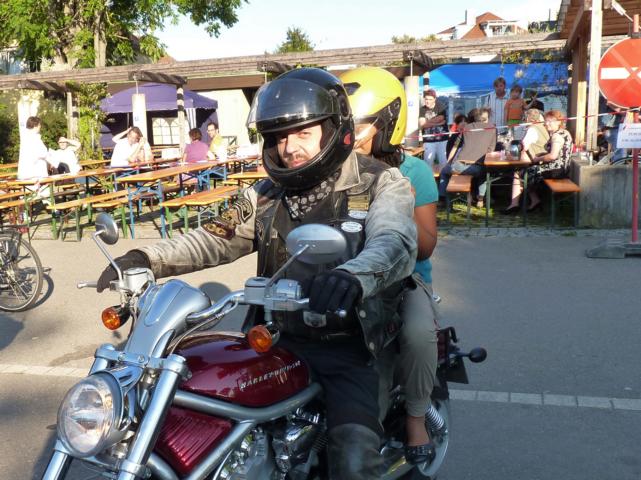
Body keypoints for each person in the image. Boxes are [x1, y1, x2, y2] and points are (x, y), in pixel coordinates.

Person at [96, 67, 417, 480]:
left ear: (334, 128)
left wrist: (353, 277)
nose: (289, 148)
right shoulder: (265, 194)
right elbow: (214, 238)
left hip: (348, 346)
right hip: (274, 339)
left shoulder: (380, 183)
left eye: (303, 133)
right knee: (197, 407)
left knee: (353, 461)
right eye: (280, 137)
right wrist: (145, 257)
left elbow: (394, 242)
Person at [339, 66, 439, 466]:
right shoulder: (336, 173)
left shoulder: (414, 171)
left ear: (387, 124)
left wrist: (404, 205)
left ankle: (416, 418)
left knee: (417, 332)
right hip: (345, 279)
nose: (349, 135)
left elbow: (426, 247)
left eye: (358, 125)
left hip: (405, 280)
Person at [507, 110, 573, 212]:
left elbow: (553, 156)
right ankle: (534, 201)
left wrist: (537, 159)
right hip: (563, 169)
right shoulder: (565, 132)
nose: (547, 123)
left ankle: (517, 204)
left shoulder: (557, 136)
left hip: (556, 170)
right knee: (525, 171)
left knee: (521, 172)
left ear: (559, 122)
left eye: (550, 121)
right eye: (546, 121)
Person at [439, 108, 497, 207]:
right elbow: (491, 150)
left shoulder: (466, 127)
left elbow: (455, 147)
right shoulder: (492, 128)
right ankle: (480, 199)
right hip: (477, 168)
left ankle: (442, 198)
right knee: (484, 173)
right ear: (486, 118)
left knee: (444, 171)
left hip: (458, 166)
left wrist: (448, 163)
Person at [503, 108, 550, 214]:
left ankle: (514, 204)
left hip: (537, 160)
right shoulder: (542, 127)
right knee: (521, 172)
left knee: (518, 173)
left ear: (528, 118)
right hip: (542, 159)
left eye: (524, 118)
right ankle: (534, 200)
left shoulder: (532, 129)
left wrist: (510, 155)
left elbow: (523, 147)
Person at [418, 89, 448, 168]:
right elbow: (422, 124)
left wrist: (427, 122)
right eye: (426, 99)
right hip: (428, 140)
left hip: (442, 139)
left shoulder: (440, 106)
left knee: (443, 161)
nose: (427, 101)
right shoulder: (422, 109)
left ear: (435, 99)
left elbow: (441, 118)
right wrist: (438, 123)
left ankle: (444, 176)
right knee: (428, 163)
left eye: (430, 99)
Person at [17, 116, 50, 181]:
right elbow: (43, 153)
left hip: (25, 173)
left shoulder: (25, 136)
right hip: (34, 174)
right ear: (35, 126)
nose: (40, 127)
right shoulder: (34, 137)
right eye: (39, 125)